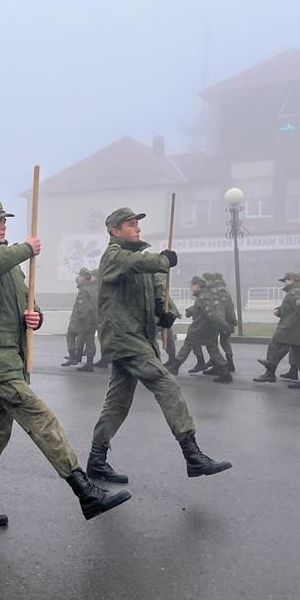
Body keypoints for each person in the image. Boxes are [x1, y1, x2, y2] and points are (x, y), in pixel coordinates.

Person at [0, 199, 130, 526]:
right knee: (41, 417)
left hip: (11, 355)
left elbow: (26, 303)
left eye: (4, 219)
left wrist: (34, 316)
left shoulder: (11, 264)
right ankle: (85, 491)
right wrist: (25, 248)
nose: (2, 224)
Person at [85, 207, 232, 483]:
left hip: (138, 337)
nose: (137, 228)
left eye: (137, 224)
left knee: (117, 403)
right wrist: (162, 259)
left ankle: (96, 461)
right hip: (124, 338)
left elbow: (154, 287)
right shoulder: (113, 256)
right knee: (166, 383)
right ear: (115, 230)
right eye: (131, 224)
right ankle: (192, 454)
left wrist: (163, 311)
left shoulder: (138, 260)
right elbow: (135, 265)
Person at [252, 273, 300, 388]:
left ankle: (270, 370)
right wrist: (279, 311)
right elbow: (291, 310)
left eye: (286, 280)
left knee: (274, 346)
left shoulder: (294, 292)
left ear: (291, 280)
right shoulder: (298, 291)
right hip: (297, 328)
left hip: (290, 328)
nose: (285, 283)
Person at [164, 276, 232, 382]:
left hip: (200, 329)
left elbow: (210, 313)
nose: (191, 287)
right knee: (213, 349)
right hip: (211, 329)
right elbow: (201, 308)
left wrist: (224, 325)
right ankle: (225, 373)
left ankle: (175, 367)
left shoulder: (203, 297)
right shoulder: (206, 295)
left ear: (198, 285)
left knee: (187, 345)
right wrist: (190, 311)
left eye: (192, 285)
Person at [61, 268, 97, 370]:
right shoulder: (95, 288)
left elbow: (82, 308)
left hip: (83, 320)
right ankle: (88, 363)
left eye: (80, 276)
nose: (78, 278)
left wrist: (80, 319)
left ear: (83, 277)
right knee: (89, 340)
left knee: (70, 334)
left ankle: (73, 357)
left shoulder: (84, 290)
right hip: (94, 319)